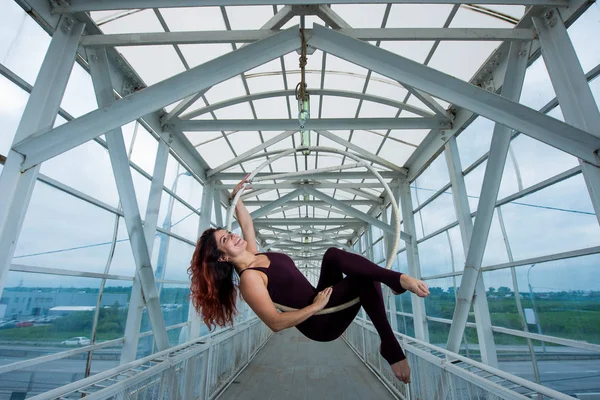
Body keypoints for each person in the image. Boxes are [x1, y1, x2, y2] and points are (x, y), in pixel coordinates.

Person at [188, 177, 430, 384]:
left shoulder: (255, 254)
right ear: (222, 257)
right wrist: (314, 307)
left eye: (228, 233)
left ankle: (397, 281)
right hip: (320, 321)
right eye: (225, 240)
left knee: (333, 255)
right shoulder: (250, 278)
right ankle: (391, 342)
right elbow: (275, 322)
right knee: (363, 281)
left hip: (319, 296)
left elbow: (247, 223)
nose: (233, 237)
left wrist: (235, 197)